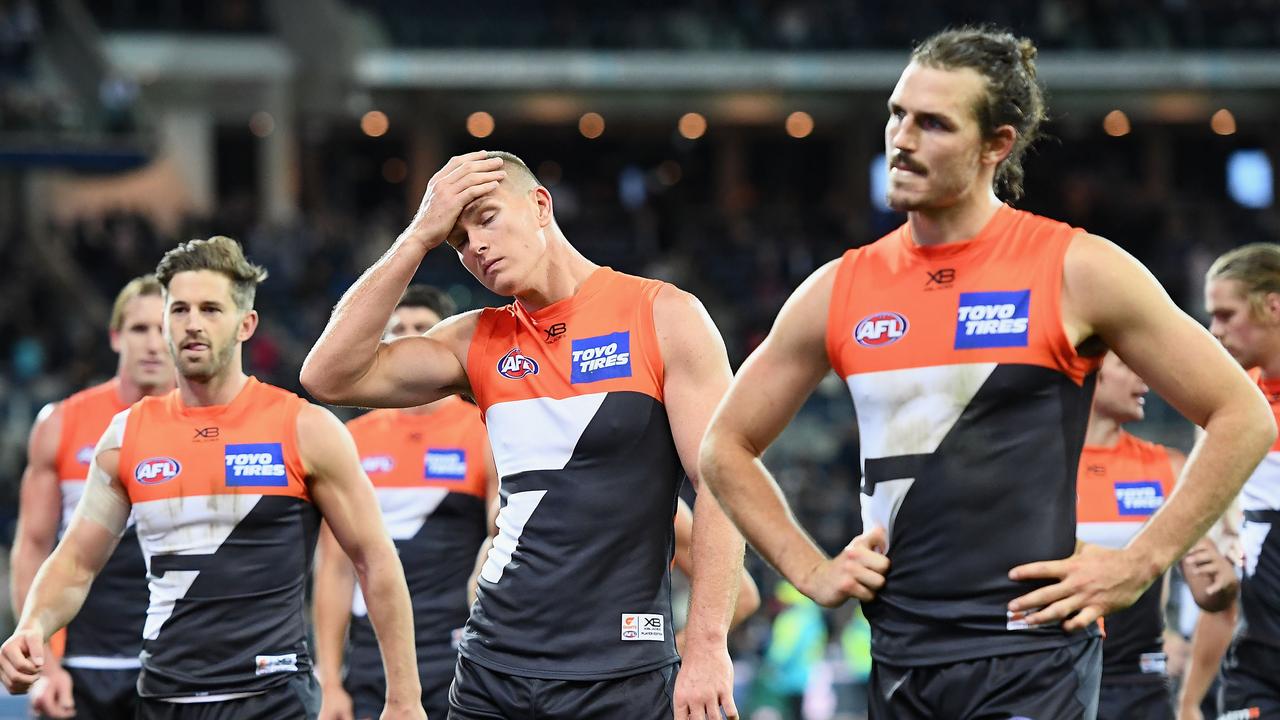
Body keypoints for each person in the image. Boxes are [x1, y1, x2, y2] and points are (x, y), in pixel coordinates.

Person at [697, 25, 1273, 720]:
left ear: (996, 145)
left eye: (934, 123)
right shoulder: (838, 289)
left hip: (1033, 658)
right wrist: (810, 568)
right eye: (896, 114)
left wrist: (1142, 561)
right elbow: (723, 446)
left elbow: (1241, 414)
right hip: (900, 656)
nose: (902, 139)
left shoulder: (1077, 270)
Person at [300, 150, 745, 720]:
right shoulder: (474, 340)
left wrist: (708, 647)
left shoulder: (663, 316)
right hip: (491, 665)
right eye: (456, 241)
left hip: (618, 672)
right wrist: (415, 238)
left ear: (539, 206)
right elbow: (326, 375)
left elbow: (724, 485)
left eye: (485, 218)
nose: (475, 248)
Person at [0, 236, 425, 720]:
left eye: (210, 309)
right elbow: (75, 562)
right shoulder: (126, 436)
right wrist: (32, 626)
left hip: (273, 699)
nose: (193, 324)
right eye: (179, 309)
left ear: (247, 325)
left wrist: (404, 699)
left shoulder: (305, 428)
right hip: (164, 699)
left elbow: (375, 561)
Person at [315, 285, 498, 720]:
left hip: (456, 648)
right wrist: (329, 678)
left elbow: (502, 533)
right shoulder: (353, 439)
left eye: (422, 329)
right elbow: (336, 567)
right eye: (397, 329)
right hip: (371, 653)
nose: (407, 337)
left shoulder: (485, 426)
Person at [9, 275, 174, 719]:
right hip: (82, 665)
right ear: (116, 336)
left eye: (164, 328)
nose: (154, 344)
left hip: (178, 664)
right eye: (140, 329)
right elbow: (33, 548)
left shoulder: (206, 428)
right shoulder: (61, 424)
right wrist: (47, 664)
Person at [1076, 352, 1238, 720]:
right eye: (1128, 366)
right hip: (1052, 677)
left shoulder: (1167, 466)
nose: (1144, 379)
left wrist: (1223, 583)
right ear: (1094, 370)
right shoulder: (1042, 465)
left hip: (1138, 685)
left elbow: (1211, 594)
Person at [1190, 243, 1280, 720]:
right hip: (1253, 660)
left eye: (1226, 314)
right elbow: (1217, 513)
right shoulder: (1225, 405)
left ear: (1273, 305)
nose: (1214, 330)